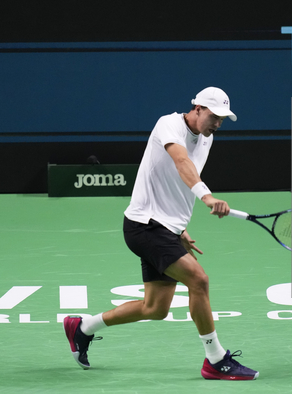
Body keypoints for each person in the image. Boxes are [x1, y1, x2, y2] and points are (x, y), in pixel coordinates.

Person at [63, 87, 259, 381]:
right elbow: (181, 162)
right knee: (199, 280)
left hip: (166, 228)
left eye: (222, 119)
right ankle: (215, 360)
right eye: (214, 116)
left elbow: (175, 183)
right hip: (145, 225)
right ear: (197, 108)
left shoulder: (207, 138)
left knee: (155, 308)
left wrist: (180, 229)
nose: (218, 124)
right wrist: (207, 197)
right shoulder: (168, 124)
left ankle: (83, 327)